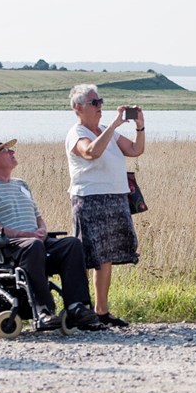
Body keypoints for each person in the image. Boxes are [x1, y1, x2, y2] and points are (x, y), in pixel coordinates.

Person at [0, 136, 103, 331]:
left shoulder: (21, 185)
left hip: (35, 242)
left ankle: (77, 307)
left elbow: (37, 216)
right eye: (6, 151)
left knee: (72, 244)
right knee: (34, 246)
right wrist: (25, 235)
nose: (12, 152)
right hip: (7, 247)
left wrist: (41, 229)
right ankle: (43, 310)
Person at [65, 84, 145, 327]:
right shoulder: (76, 133)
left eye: (101, 101)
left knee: (106, 256)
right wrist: (113, 125)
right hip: (89, 199)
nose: (100, 106)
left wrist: (140, 126)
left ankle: (101, 311)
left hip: (115, 197)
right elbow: (91, 152)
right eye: (94, 103)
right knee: (88, 255)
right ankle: (81, 310)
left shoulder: (104, 130)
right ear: (78, 108)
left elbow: (135, 149)